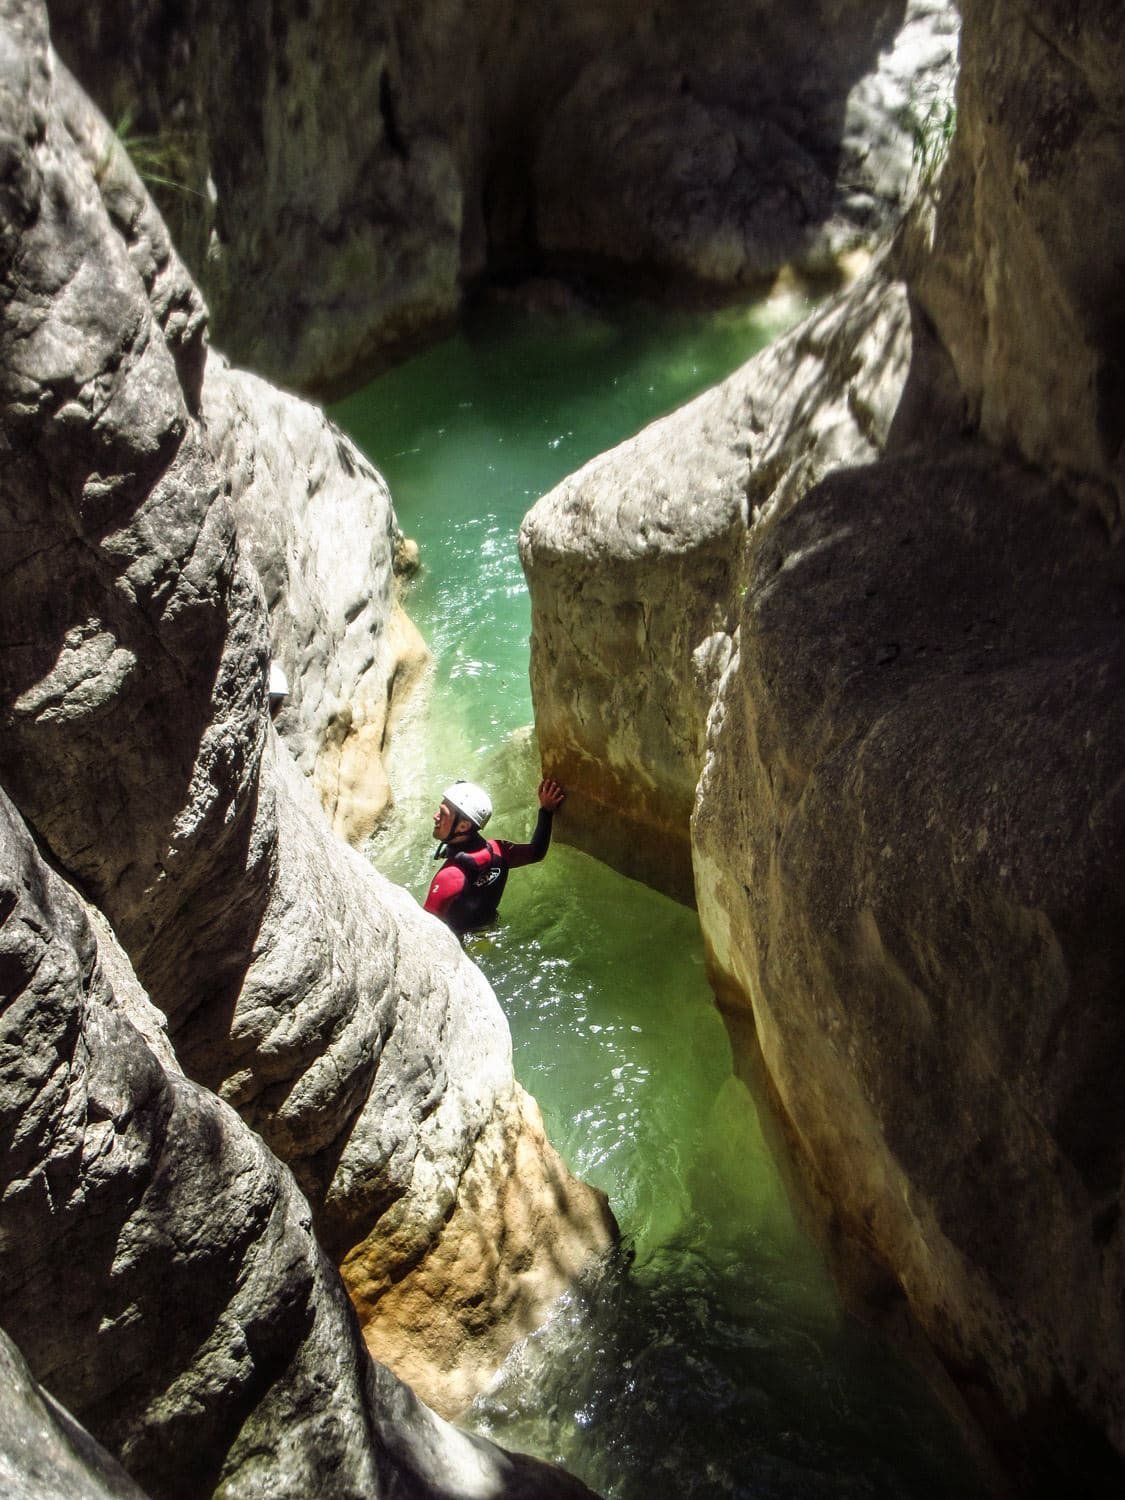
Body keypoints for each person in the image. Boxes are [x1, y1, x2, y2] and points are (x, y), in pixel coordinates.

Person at [424, 777, 565, 936]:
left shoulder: (449, 877)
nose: (435, 816)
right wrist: (546, 811)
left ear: (463, 826)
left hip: (460, 944)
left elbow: (424, 934)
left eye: (442, 813)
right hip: (491, 930)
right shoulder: (500, 851)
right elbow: (537, 852)